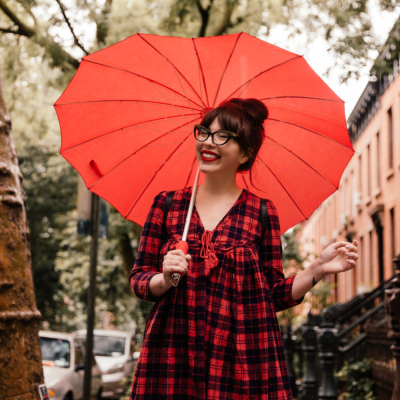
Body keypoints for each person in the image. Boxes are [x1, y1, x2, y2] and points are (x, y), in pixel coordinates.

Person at [129, 98, 359, 400]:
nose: (209, 143)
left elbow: (272, 293)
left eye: (223, 136)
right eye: (204, 133)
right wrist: (164, 278)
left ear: (247, 153)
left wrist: (318, 268)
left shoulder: (261, 212)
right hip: (174, 350)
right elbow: (138, 279)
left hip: (241, 358)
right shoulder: (168, 204)